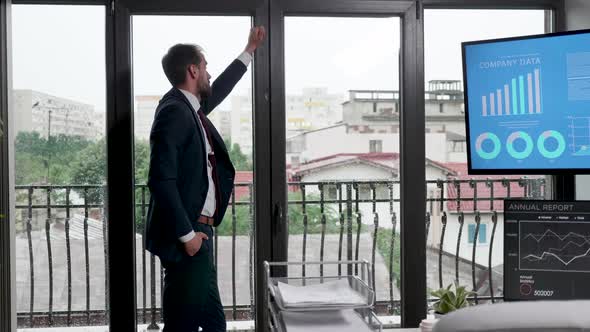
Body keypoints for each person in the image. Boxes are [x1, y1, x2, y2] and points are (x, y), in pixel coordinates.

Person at [144, 26, 266, 332]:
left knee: (214, 324)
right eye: (206, 68)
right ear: (193, 70)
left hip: (200, 233)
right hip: (188, 235)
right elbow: (160, 179)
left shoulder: (191, 109)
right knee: (182, 324)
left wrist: (248, 52)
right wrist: (188, 237)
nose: (210, 75)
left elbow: (219, 87)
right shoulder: (175, 111)